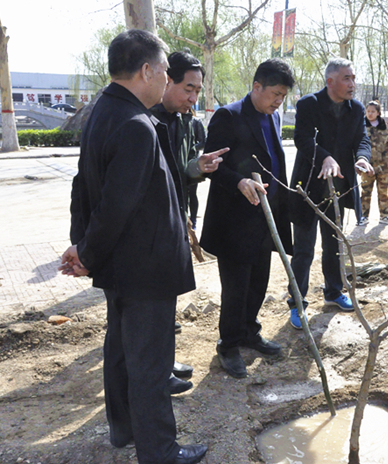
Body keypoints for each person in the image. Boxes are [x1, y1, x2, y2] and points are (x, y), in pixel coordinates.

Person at [59, 29, 208, 464]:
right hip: (145, 269)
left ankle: (123, 428)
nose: (166, 79)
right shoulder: (136, 126)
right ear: (146, 70)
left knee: (121, 351)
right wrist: (85, 252)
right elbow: (114, 207)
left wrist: (83, 244)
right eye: (164, 71)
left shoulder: (103, 112)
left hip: (124, 268)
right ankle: (160, 451)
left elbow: (84, 190)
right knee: (149, 366)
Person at [200, 59, 295, 378]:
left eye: (283, 96)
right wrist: (238, 182)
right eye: (275, 94)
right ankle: (228, 344)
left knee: (259, 282)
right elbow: (212, 166)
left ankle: (249, 332)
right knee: (236, 286)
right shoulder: (229, 116)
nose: (278, 101)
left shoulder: (274, 116)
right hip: (235, 221)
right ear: (257, 87)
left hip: (266, 217)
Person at [150, 50, 225, 394]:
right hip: (152, 224)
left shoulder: (183, 119)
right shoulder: (145, 119)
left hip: (178, 216)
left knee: (167, 297)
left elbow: (180, 172)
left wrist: (199, 166)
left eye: (198, 91)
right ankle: (153, 371)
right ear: (166, 80)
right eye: (188, 89)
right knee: (151, 303)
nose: (193, 97)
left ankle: (163, 361)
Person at [287, 57, 373, 329]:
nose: (352, 84)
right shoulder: (309, 105)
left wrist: (361, 157)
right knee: (303, 249)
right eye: (347, 78)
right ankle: (297, 303)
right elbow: (302, 139)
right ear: (330, 82)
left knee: (334, 244)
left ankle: (334, 291)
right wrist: (324, 157)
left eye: (353, 78)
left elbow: (362, 138)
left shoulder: (356, 108)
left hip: (338, 188)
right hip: (308, 186)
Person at [359, 100, 388, 226]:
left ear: (378, 113)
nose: (370, 114)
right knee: (365, 192)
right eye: (368, 111)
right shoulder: (361, 126)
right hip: (367, 166)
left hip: (384, 167)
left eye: (373, 111)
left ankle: (384, 216)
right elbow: (356, 145)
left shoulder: (386, 126)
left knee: (383, 193)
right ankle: (363, 216)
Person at [189, 115, 206, 230]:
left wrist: (191, 148)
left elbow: (203, 141)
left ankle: (193, 220)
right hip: (177, 163)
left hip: (193, 163)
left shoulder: (195, 121)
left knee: (192, 193)